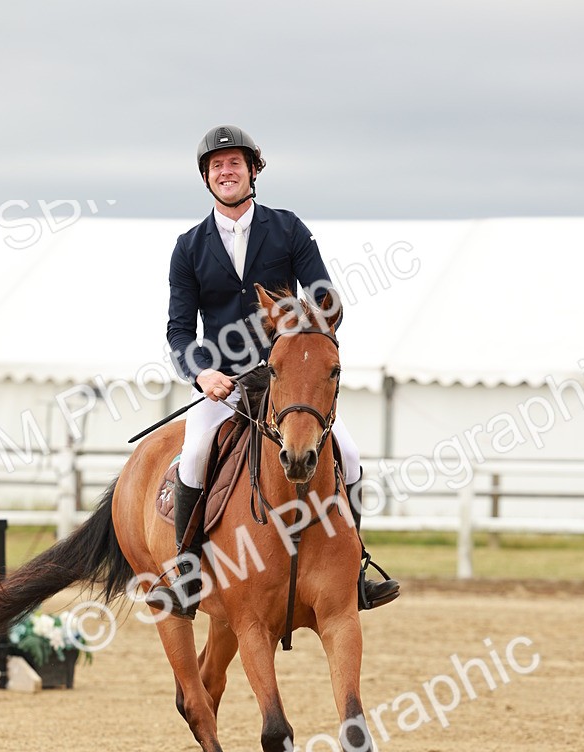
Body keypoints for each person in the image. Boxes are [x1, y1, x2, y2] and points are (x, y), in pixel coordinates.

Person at [146, 124, 399, 619]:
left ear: (253, 171)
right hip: (227, 389)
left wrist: (304, 334)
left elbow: (323, 295)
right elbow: (179, 332)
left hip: (290, 386)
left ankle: (357, 570)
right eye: (216, 166)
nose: (226, 171)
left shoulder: (288, 229)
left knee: (348, 453)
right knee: (195, 453)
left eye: (234, 163)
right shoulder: (189, 247)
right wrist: (204, 375)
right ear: (206, 178)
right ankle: (187, 572)